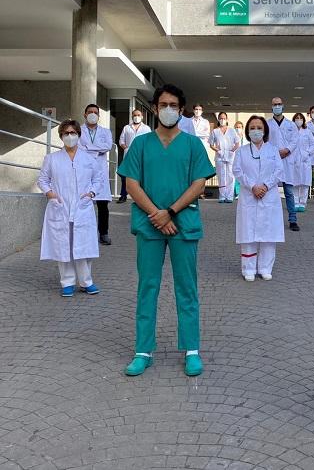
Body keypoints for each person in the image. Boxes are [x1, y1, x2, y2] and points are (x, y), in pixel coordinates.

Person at [117, 84, 216, 377]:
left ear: (181, 109)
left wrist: (170, 212)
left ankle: (192, 350)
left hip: (182, 224)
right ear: (155, 109)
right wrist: (156, 214)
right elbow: (131, 183)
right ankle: (143, 351)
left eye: (173, 104)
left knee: (187, 288)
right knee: (148, 286)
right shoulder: (141, 144)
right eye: (163, 104)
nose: (168, 109)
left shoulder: (193, 144)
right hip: (150, 226)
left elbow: (199, 183)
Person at [38, 119, 103, 297]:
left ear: (79, 135)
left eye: (73, 133)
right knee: (63, 245)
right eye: (66, 133)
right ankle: (67, 282)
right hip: (60, 208)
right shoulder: (52, 159)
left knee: (83, 246)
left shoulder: (88, 159)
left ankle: (86, 281)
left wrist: (91, 193)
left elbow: (98, 180)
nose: (70, 136)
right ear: (60, 136)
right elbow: (42, 180)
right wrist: (50, 194)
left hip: (82, 208)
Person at [232, 116, 285, 282]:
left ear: (265, 131)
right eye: (252, 128)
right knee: (249, 232)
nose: (256, 131)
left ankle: (265, 268)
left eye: (259, 127)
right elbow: (237, 171)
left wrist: (265, 186)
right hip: (249, 195)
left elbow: (279, 171)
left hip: (269, 197)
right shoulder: (241, 151)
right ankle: (248, 268)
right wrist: (252, 186)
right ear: (248, 131)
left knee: (269, 234)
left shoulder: (273, 150)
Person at [79, 104, 113, 245]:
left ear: (99, 115)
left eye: (95, 112)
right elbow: (79, 148)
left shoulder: (106, 132)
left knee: (103, 206)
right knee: (83, 204)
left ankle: (103, 234)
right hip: (84, 170)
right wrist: (97, 150)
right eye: (90, 112)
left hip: (100, 171)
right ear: (85, 114)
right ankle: (82, 234)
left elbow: (108, 146)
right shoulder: (78, 130)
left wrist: (89, 148)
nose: (93, 114)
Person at [267, 96, 300, 231]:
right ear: (272, 107)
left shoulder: (291, 125)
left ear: (283, 105)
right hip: (273, 160)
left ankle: (293, 220)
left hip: (287, 160)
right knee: (271, 192)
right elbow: (265, 141)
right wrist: (276, 153)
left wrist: (287, 150)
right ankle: (271, 220)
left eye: (279, 104)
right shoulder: (268, 124)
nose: (277, 106)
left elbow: (295, 140)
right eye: (275, 104)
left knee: (289, 192)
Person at [118, 110, 151, 203]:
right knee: (125, 176)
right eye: (135, 115)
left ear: (142, 117)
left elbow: (150, 142)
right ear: (132, 116)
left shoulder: (147, 128)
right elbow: (121, 141)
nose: (136, 116)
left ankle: (142, 197)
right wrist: (126, 148)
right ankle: (123, 196)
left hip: (142, 156)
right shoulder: (126, 128)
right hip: (128, 155)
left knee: (141, 176)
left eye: (138, 115)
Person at [209, 112, 240, 203]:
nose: (222, 120)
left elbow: (237, 143)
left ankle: (230, 196)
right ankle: (222, 196)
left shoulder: (232, 131)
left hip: (230, 156)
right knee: (221, 176)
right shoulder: (215, 131)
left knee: (230, 176)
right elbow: (211, 144)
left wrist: (232, 151)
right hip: (219, 156)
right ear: (218, 119)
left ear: (227, 119)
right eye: (221, 118)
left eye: (224, 118)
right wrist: (218, 150)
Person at [292, 113, 314, 212]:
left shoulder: (307, 132)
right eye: (296, 118)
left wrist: (307, 153)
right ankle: (295, 202)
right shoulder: (291, 132)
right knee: (295, 183)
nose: (298, 120)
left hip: (305, 160)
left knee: (304, 184)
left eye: (300, 118)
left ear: (303, 120)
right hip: (294, 160)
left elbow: (313, 144)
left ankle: (302, 203)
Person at [233, 120, 245, 199]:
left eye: (239, 127)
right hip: (234, 158)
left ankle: (243, 193)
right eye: (236, 127)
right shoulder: (232, 138)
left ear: (242, 128)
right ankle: (237, 193)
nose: (238, 129)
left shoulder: (246, 138)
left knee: (244, 176)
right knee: (236, 176)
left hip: (244, 159)